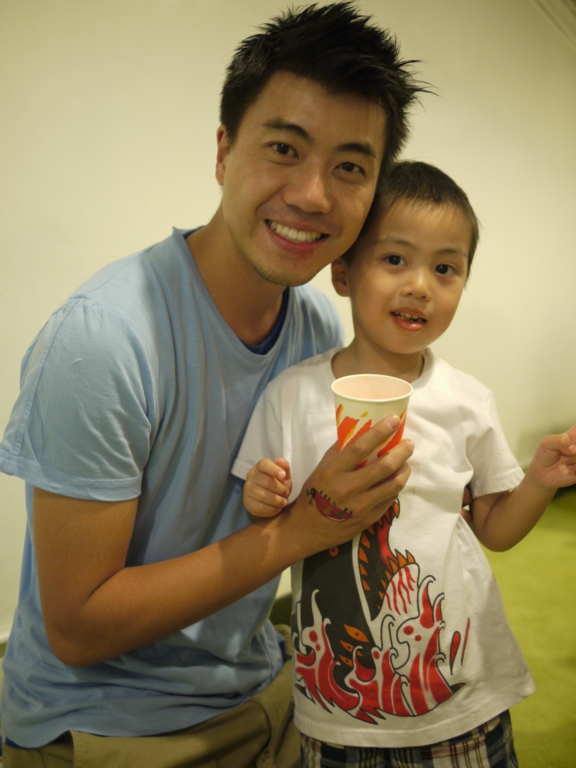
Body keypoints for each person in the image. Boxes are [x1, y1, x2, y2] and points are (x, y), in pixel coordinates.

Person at [0, 4, 426, 767]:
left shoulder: (313, 328)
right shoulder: (104, 340)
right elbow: (78, 626)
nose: (313, 195)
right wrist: (301, 530)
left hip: (266, 683)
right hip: (110, 723)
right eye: (284, 148)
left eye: (350, 168)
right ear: (224, 151)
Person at [235, 161, 576, 767]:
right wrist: (261, 495)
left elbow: (495, 529)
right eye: (395, 259)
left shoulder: (467, 400)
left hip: (458, 700)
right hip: (336, 707)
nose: (420, 285)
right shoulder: (292, 395)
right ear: (344, 272)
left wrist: (540, 481)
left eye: (446, 268)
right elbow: (266, 520)